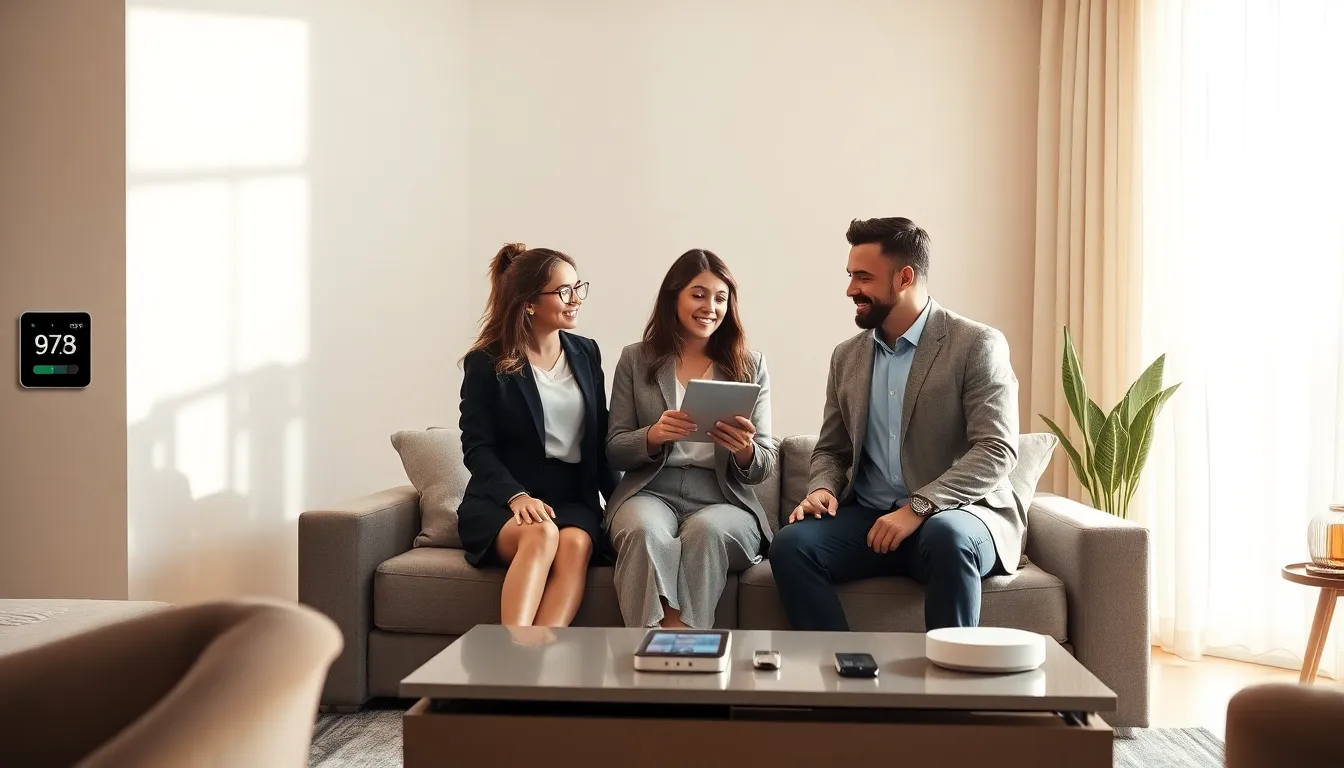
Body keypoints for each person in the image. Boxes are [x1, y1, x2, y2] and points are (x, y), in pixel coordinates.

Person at [769, 217, 1023, 632]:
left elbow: (996, 450)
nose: (851, 289)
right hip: (870, 519)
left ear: (904, 277)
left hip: (957, 514)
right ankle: (842, 677)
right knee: (791, 546)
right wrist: (820, 488)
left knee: (947, 537)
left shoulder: (975, 344)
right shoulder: (846, 356)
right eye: (850, 276)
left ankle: (950, 690)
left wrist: (919, 506)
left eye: (863, 277)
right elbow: (832, 450)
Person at [605, 249, 777, 630]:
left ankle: (680, 642)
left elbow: (764, 465)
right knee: (644, 530)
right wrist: (652, 435)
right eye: (698, 294)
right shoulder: (635, 360)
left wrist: (745, 449)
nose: (710, 307)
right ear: (674, 296)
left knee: (706, 531)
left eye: (720, 298)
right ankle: (652, 644)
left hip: (723, 498)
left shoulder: (750, 365)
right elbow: (614, 449)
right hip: (651, 492)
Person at [457, 243, 617, 627]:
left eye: (579, 287)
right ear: (529, 302)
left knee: (576, 544)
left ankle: (533, 666)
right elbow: (476, 447)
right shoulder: (487, 361)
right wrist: (516, 496)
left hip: (571, 496)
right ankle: (514, 659)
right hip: (503, 499)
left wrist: (620, 503)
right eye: (564, 291)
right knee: (542, 534)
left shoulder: (586, 353)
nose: (576, 299)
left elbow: (599, 438)